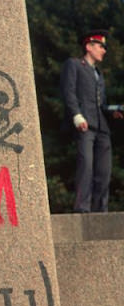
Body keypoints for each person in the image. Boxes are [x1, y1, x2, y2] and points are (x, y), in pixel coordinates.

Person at [60, 29, 123, 213]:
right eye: (101, 46)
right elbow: (68, 92)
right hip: (84, 125)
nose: (104, 50)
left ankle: (100, 211)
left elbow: (101, 104)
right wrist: (76, 115)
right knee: (86, 166)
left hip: (102, 127)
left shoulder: (98, 74)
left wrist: (114, 112)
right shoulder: (74, 65)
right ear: (89, 46)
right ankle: (82, 209)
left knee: (104, 172)